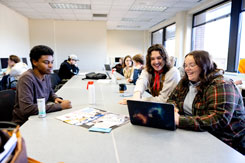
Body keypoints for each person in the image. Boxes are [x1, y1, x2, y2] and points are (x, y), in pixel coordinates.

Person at [167, 50, 245, 155]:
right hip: (199, 135)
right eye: (185, 65)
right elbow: (172, 100)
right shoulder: (185, 82)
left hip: (227, 142)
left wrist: (179, 120)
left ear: (204, 66)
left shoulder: (222, 84)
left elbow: (218, 119)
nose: (187, 69)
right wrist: (173, 108)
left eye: (192, 65)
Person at [12, 45, 72, 125]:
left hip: (40, 118)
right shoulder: (26, 78)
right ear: (34, 62)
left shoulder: (46, 75)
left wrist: (55, 98)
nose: (51, 66)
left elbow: (50, 92)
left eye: (52, 62)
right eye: (46, 62)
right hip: (26, 123)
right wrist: (60, 106)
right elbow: (27, 109)